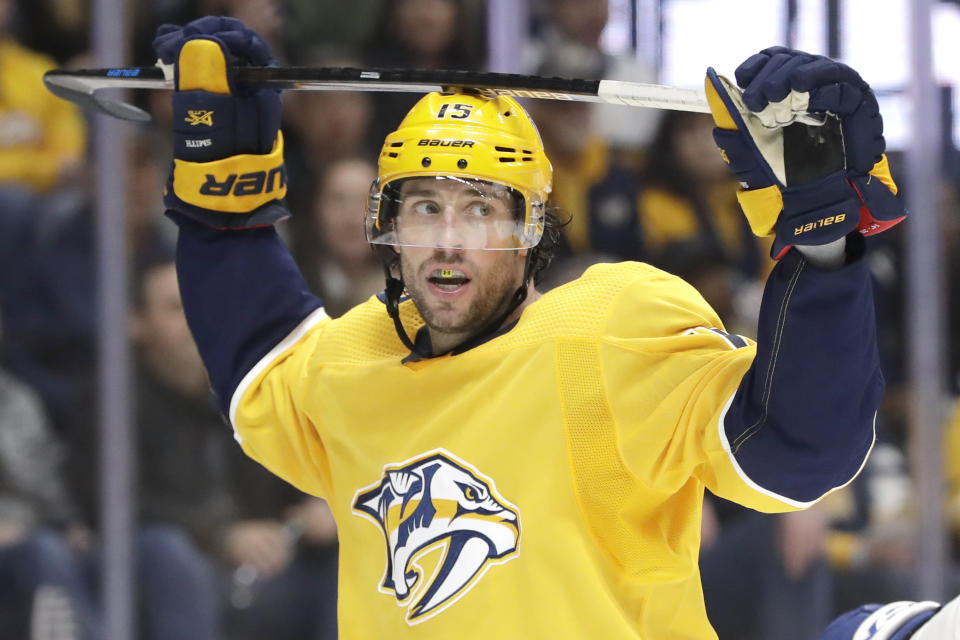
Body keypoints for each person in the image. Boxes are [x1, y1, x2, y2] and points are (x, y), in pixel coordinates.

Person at [151, 17, 916, 638]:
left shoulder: (607, 335)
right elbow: (258, 353)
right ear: (388, 228)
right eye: (425, 208)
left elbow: (799, 450)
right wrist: (226, 200)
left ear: (531, 232)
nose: (449, 239)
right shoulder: (354, 363)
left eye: (481, 209)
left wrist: (822, 249)